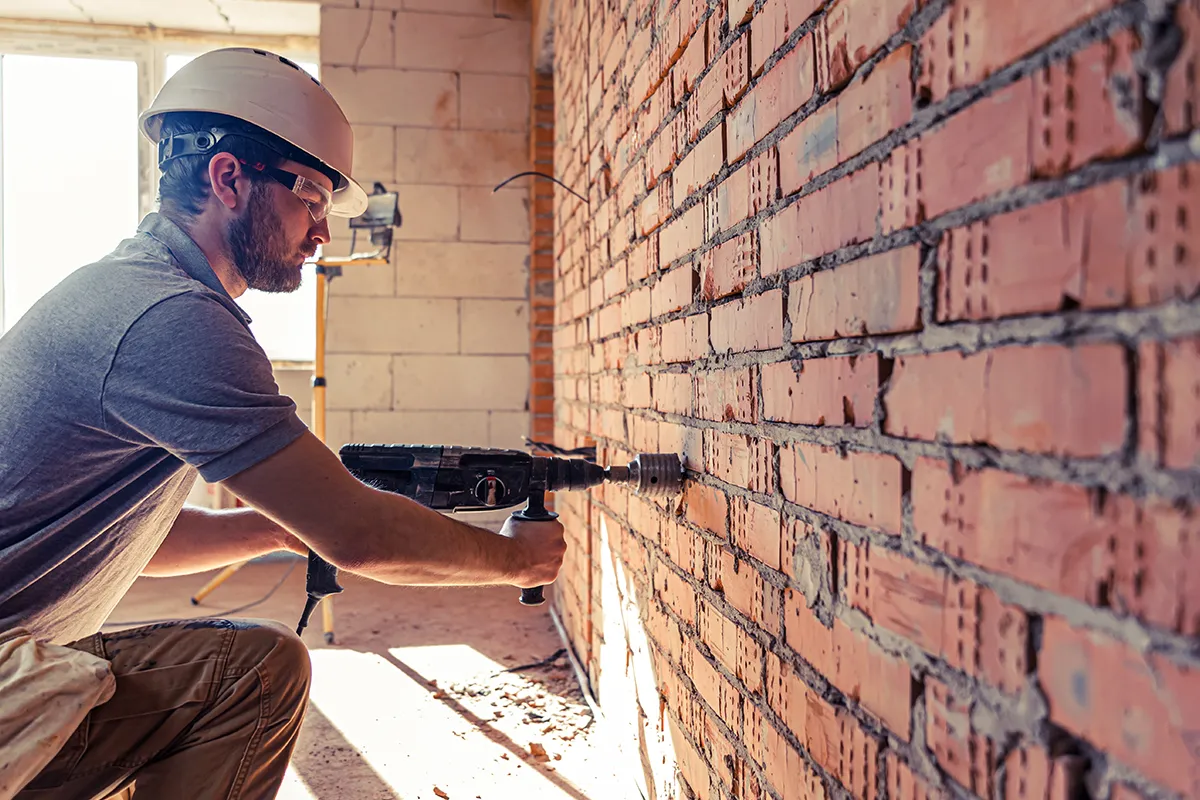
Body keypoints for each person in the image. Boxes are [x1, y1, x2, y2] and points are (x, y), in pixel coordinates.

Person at [0, 48, 566, 799]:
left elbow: (125, 535)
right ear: (228, 178)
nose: (324, 231)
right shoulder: (172, 319)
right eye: (311, 196)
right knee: (257, 679)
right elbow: (360, 535)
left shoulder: (131, 288)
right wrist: (517, 564)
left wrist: (268, 529)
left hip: (20, 649)